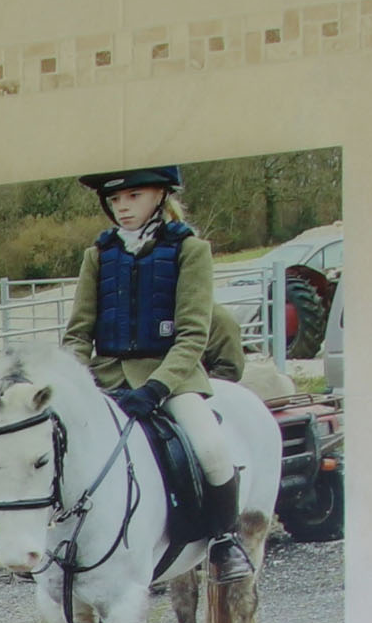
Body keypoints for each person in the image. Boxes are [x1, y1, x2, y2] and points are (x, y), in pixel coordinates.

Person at [64, 166, 247, 525]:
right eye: (115, 199)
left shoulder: (190, 250)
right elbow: (78, 334)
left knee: (211, 449)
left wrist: (156, 388)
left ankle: (224, 538)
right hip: (105, 377)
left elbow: (192, 335)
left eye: (134, 196)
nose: (122, 207)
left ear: (160, 196)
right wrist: (71, 381)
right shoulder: (98, 255)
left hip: (172, 379)